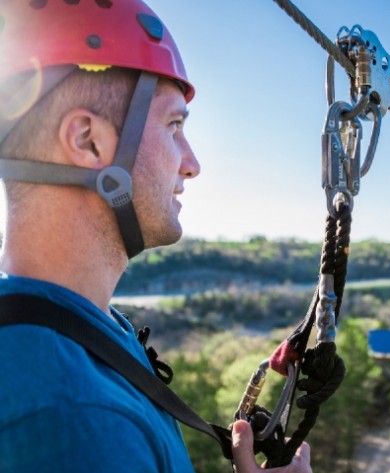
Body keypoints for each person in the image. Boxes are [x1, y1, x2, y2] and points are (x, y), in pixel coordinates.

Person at [0, 1, 311, 472]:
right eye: (174, 125)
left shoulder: (80, 331)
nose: (192, 163)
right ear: (88, 141)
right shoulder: (79, 416)